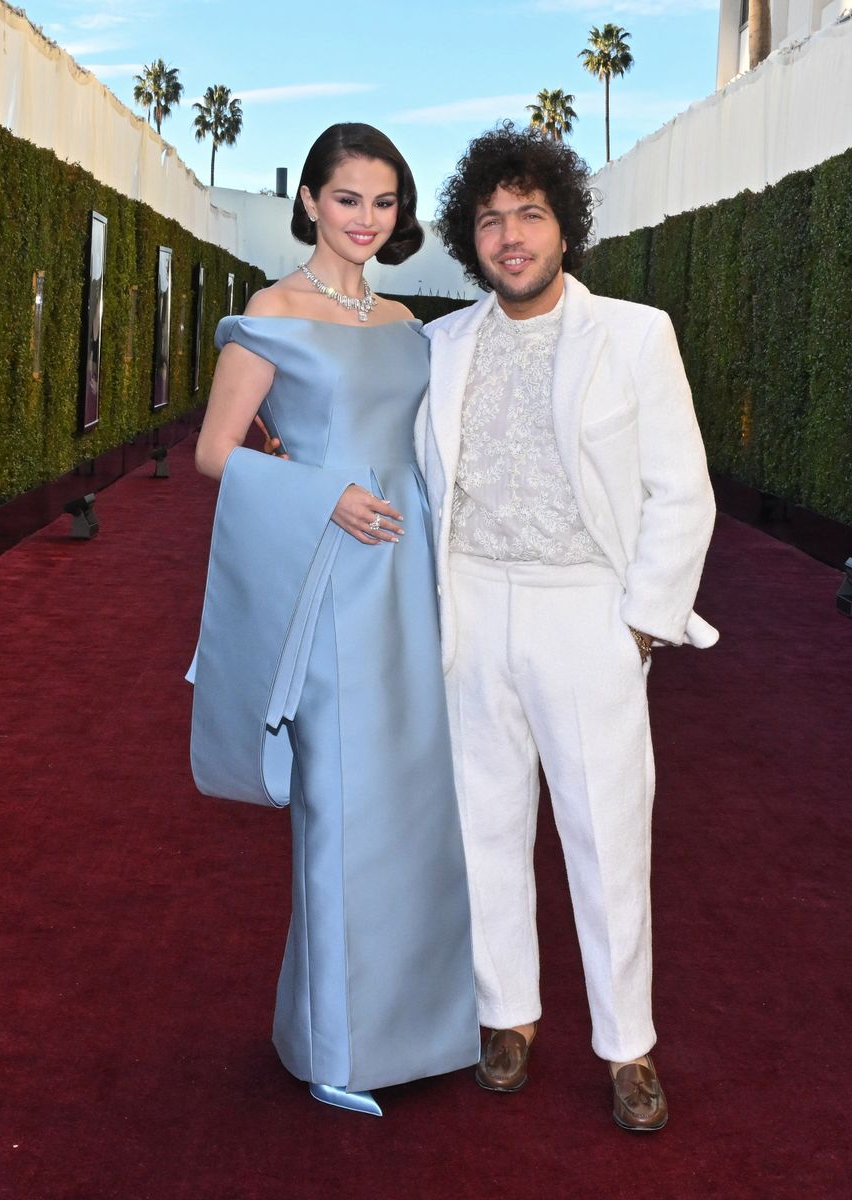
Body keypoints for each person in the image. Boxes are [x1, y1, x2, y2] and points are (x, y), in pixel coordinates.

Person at [414, 123, 719, 1131]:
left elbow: (680, 492)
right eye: (490, 219)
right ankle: (504, 1014)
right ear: (469, 238)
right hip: (468, 605)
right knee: (482, 826)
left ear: (562, 225)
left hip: (583, 611)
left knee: (603, 837)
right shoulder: (438, 345)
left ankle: (626, 1044)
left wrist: (636, 626)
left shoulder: (634, 334)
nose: (509, 235)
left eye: (527, 214)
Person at [188, 123, 479, 1118]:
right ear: (308, 199)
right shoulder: (271, 313)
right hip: (331, 578)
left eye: (385, 202)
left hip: (410, 586)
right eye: (348, 198)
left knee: (414, 807)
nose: (366, 219)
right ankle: (332, 1045)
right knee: (338, 810)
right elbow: (215, 454)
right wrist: (325, 495)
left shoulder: (406, 322)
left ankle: (422, 1029)